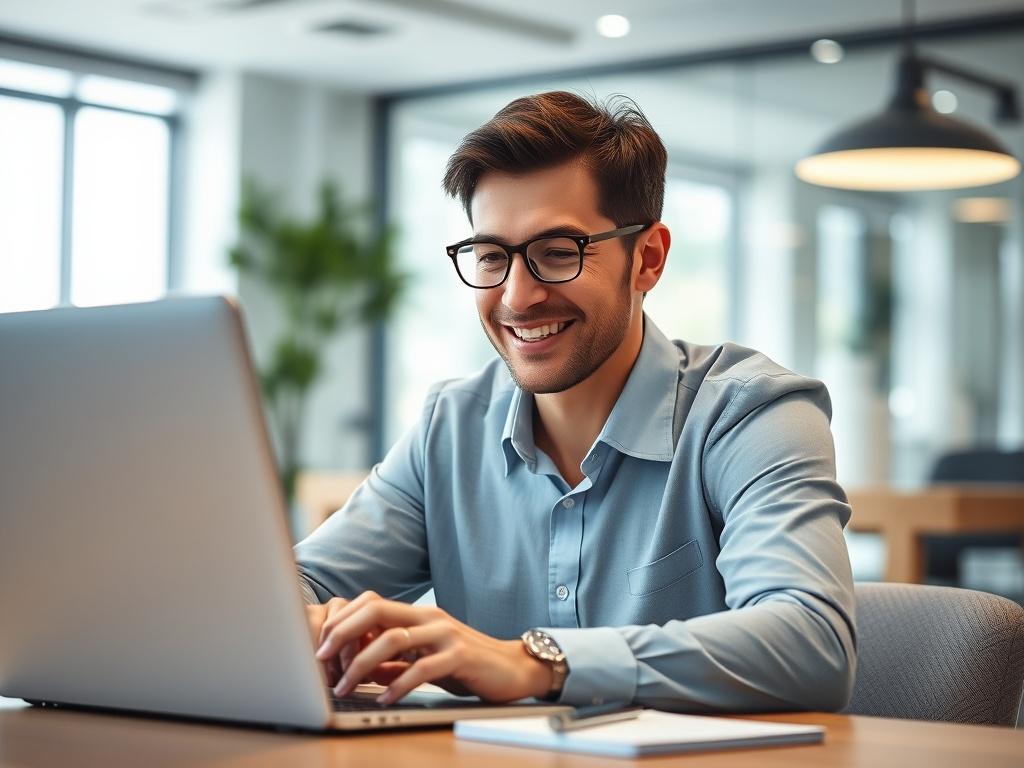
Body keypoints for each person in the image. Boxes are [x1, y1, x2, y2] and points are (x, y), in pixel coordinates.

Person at [295, 91, 856, 712]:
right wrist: (303, 624)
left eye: (557, 254)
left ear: (647, 257)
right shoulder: (449, 427)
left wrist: (532, 661)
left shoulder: (752, 414)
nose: (516, 297)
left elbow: (812, 642)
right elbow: (298, 585)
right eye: (490, 257)